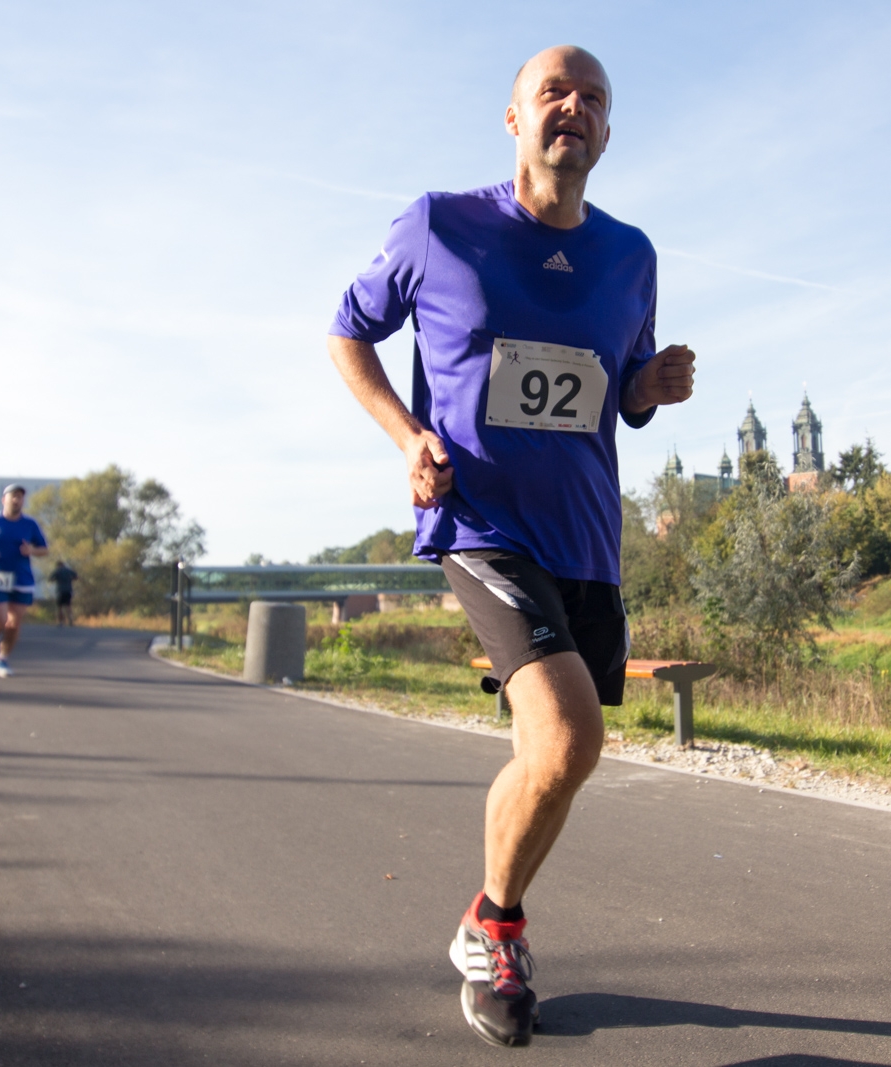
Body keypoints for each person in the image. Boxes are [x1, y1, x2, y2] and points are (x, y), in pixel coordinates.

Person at [327, 45, 695, 1048]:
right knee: (571, 738)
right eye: (553, 93)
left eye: (593, 99)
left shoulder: (631, 254)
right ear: (513, 118)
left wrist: (651, 384)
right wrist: (409, 437)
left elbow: (620, 388)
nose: (574, 107)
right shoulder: (441, 224)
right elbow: (346, 332)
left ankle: (486, 917)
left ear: (607, 132)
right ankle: (496, 927)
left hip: (586, 536)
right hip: (479, 520)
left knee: (552, 753)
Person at [0, 485, 49, 678]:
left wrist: (32, 551)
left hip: (22, 578)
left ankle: (2, 660)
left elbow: (44, 549)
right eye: (13, 496)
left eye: (20, 497)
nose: (17, 500)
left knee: (13, 623)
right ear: (4, 499)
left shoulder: (30, 524)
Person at [49, 560, 79, 626]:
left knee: (60, 607)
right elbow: (76, 576)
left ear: (58, 565)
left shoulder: (57, 571)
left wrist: (56, 579)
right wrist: (70, 579)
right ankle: (70, 620)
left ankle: (61, 622)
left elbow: (50, 579)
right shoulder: (69, 570)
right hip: (68, 590)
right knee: (68, 606)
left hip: (60, 590)